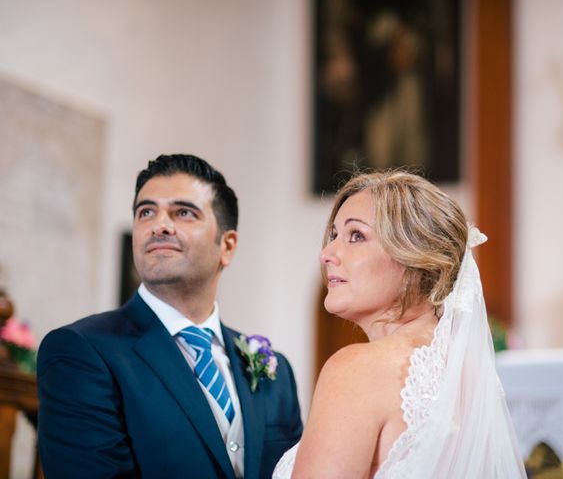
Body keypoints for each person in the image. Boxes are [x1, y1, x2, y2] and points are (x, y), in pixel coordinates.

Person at [37, 154, 303, 478]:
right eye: (146, 212)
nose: (159, 225)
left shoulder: (277, 373)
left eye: (183, 213)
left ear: (228, 246)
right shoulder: (80, 352)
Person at [274, 171, 525, 478]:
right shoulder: (466, 376)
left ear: (414, 261)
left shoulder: (355, 371)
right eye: (333, 236)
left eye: (356, 236)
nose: (327, 254)